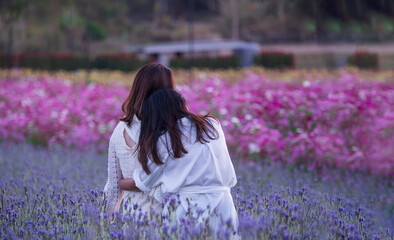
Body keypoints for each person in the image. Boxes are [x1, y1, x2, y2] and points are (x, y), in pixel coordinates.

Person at [119, 88, 238, 232]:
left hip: (186, 208)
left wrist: (119, 182)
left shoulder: (165, 138)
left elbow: (143, 182)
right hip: (223, 204)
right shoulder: (212, 125)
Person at [103, 63, 175, 216]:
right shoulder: (170, 130)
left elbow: (113, 187)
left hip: (134, 219)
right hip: (167, 219)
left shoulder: (120, 130)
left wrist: (104, 223)